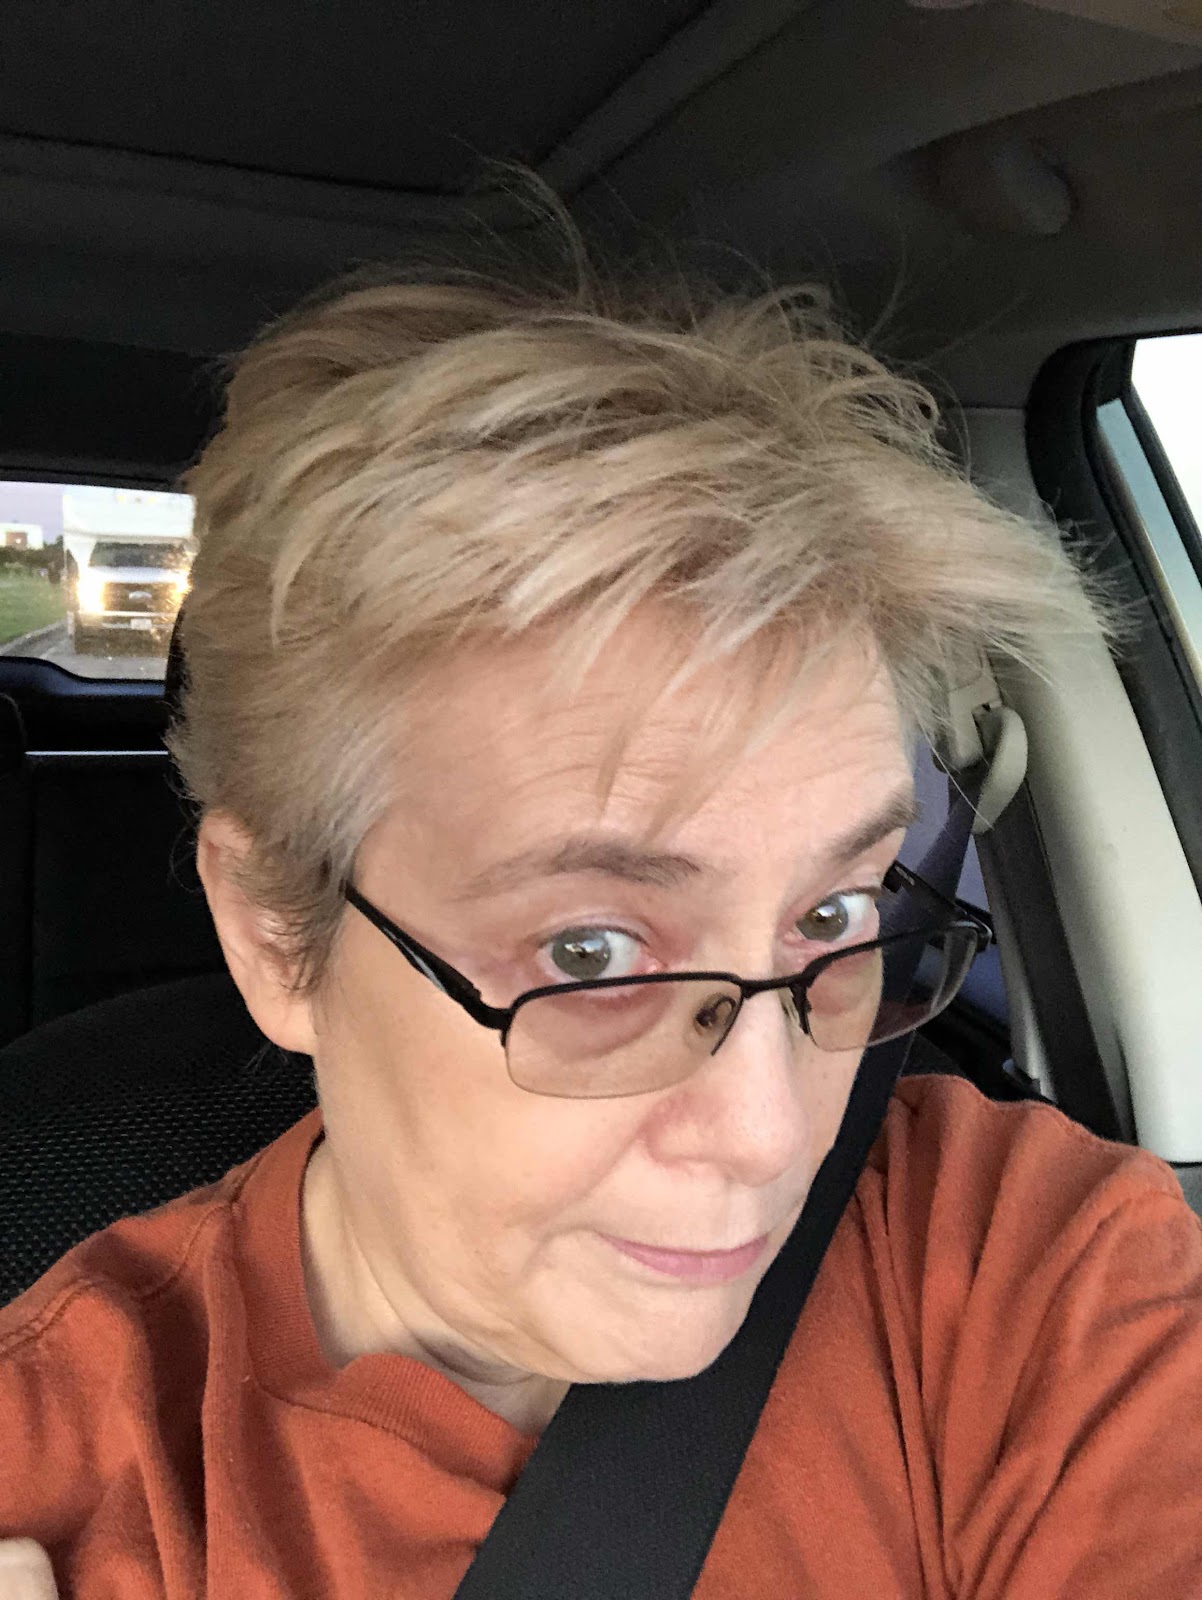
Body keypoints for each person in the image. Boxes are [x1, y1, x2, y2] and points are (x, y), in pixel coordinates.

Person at [1, 236, 1200, 1600]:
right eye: (590, 953)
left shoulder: (1029, 1268)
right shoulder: (61, 1471)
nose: (767, 1133)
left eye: (832, 913)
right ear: (278, 932)